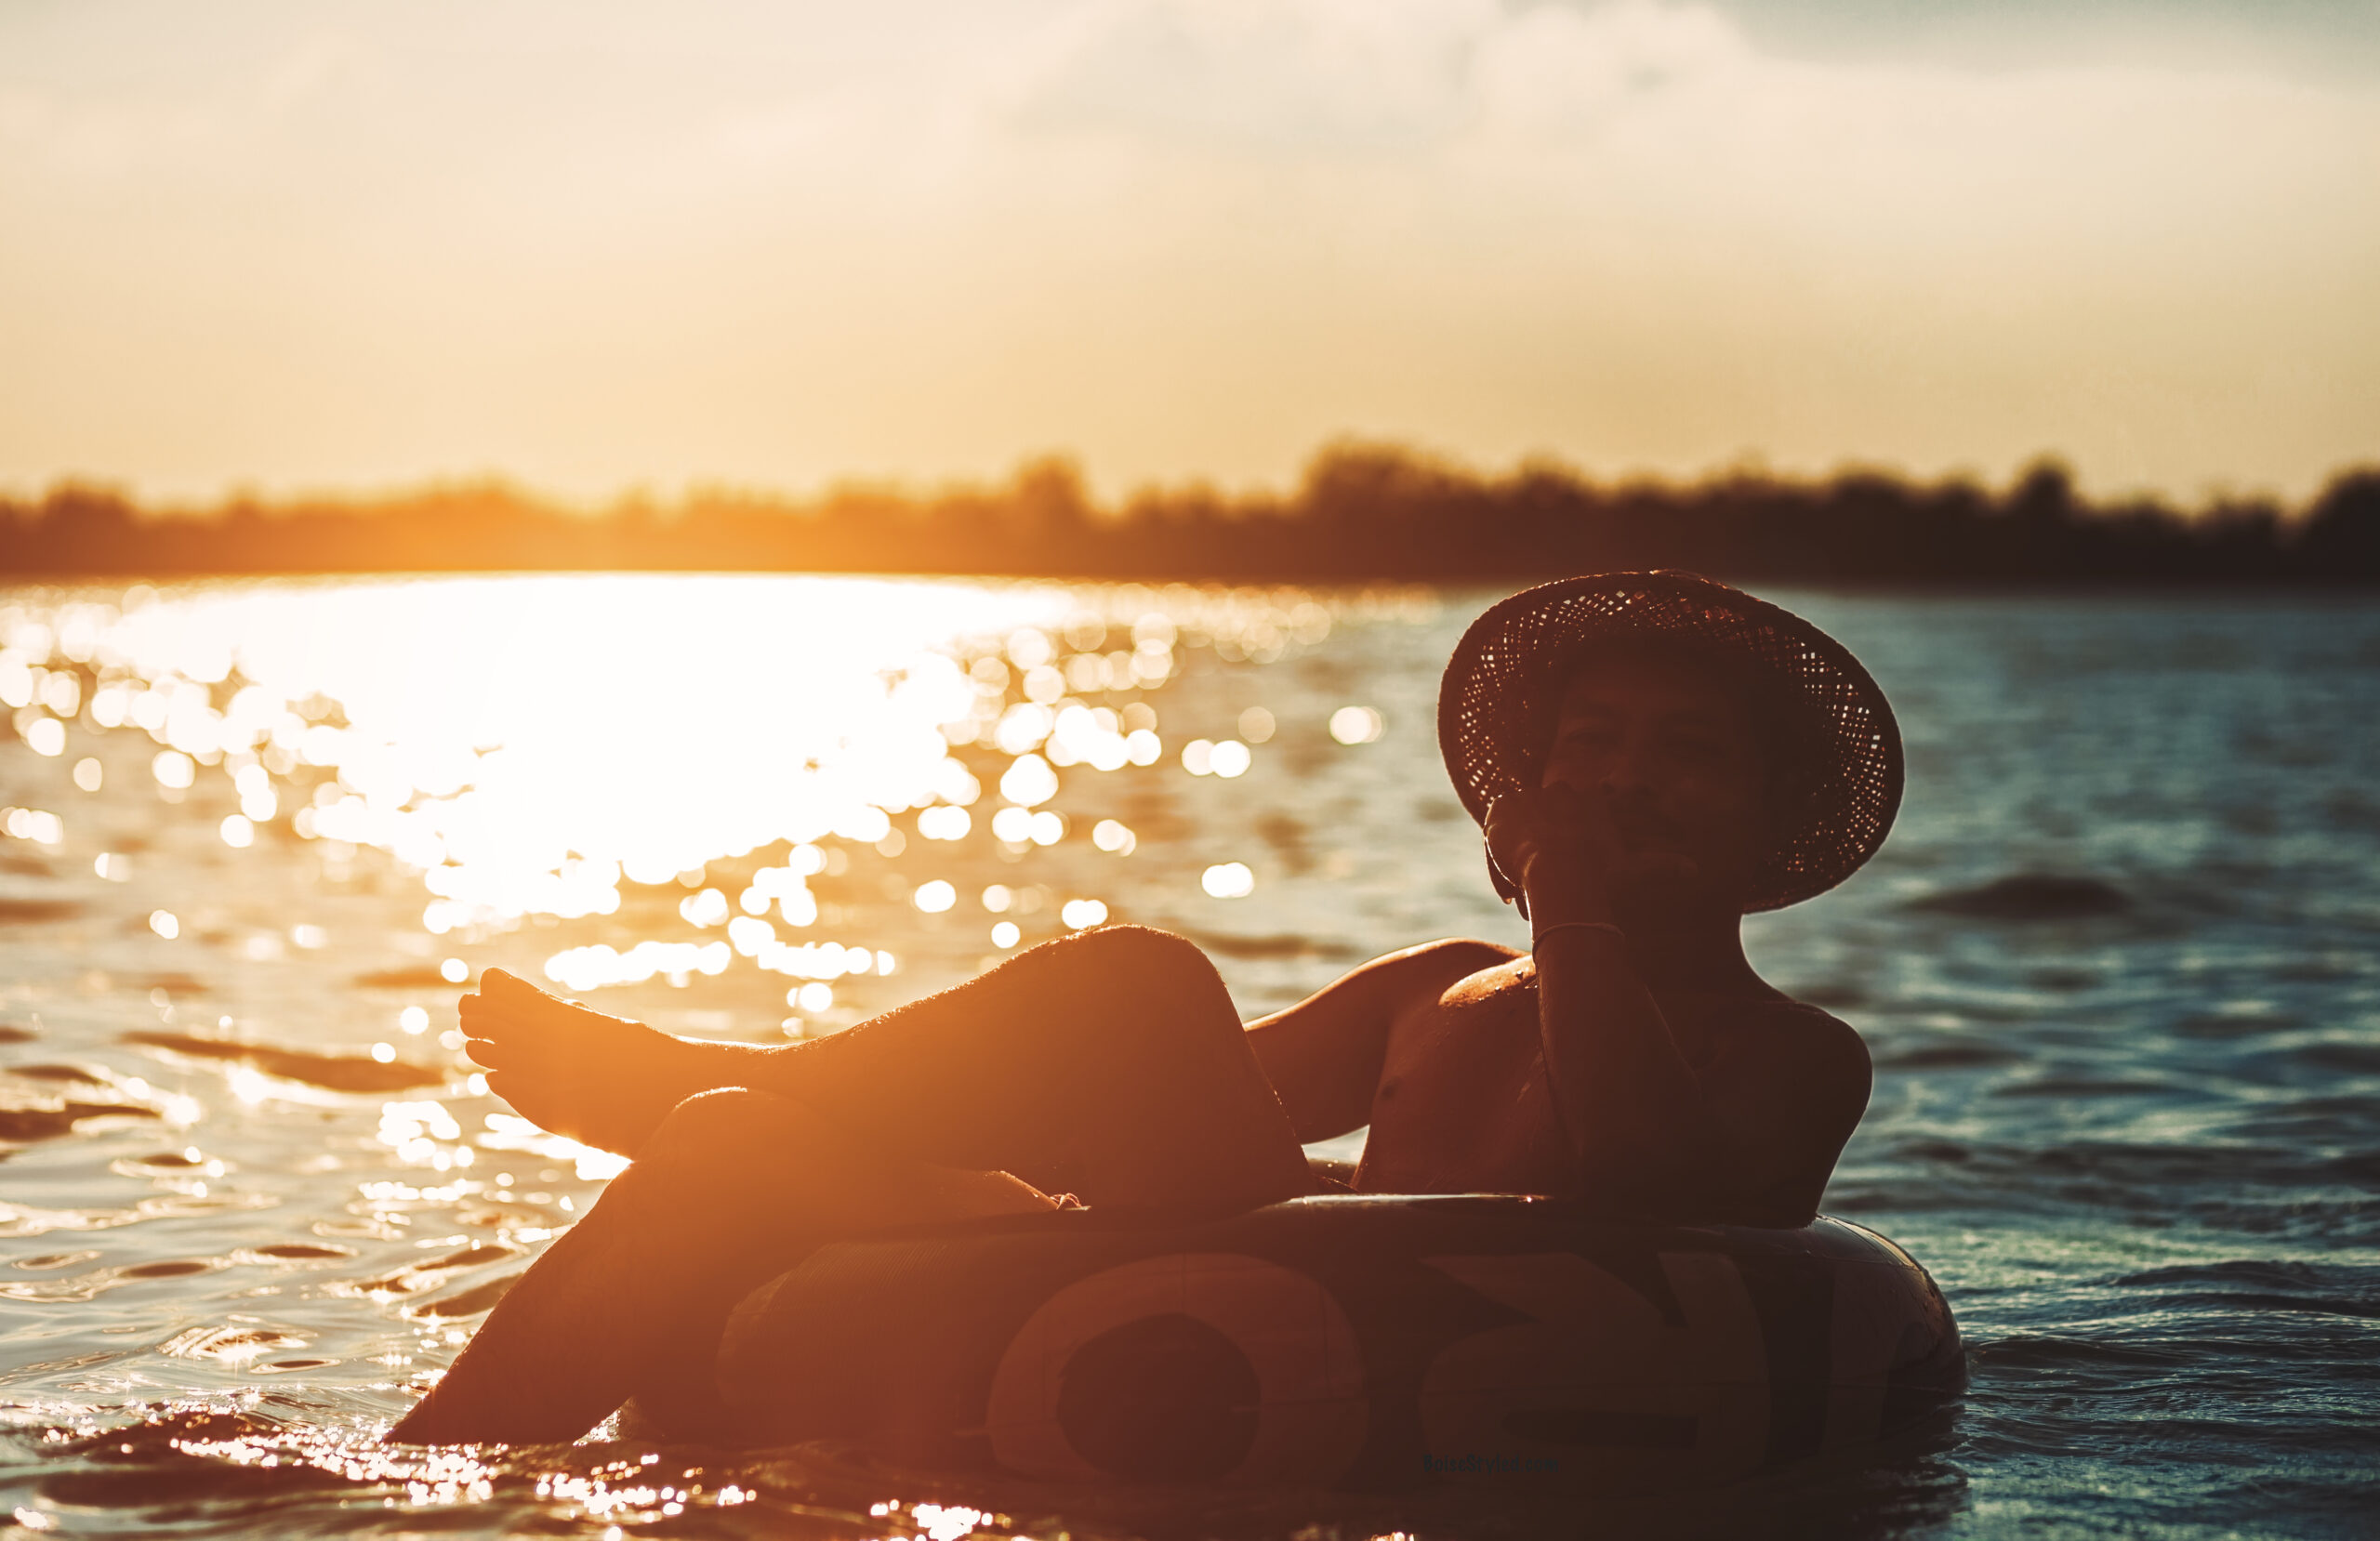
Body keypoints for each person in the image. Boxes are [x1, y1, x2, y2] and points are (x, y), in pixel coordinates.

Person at [389, 571, 1902, 1446]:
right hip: (1245, 1249)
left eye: (1683, 750)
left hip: (1401, 1363)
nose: (1625, 775)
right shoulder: (1438, 987)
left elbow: (1642, 1182)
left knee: (1146, 980)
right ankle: (393, 1480)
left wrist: (1571, 908)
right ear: (1534, 780)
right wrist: (859, 1149)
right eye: (1591, 741)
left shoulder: (1793, 1055)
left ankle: (691, 1069)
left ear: (1762, 815)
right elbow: (1135, 1098)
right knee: (737, 1146)